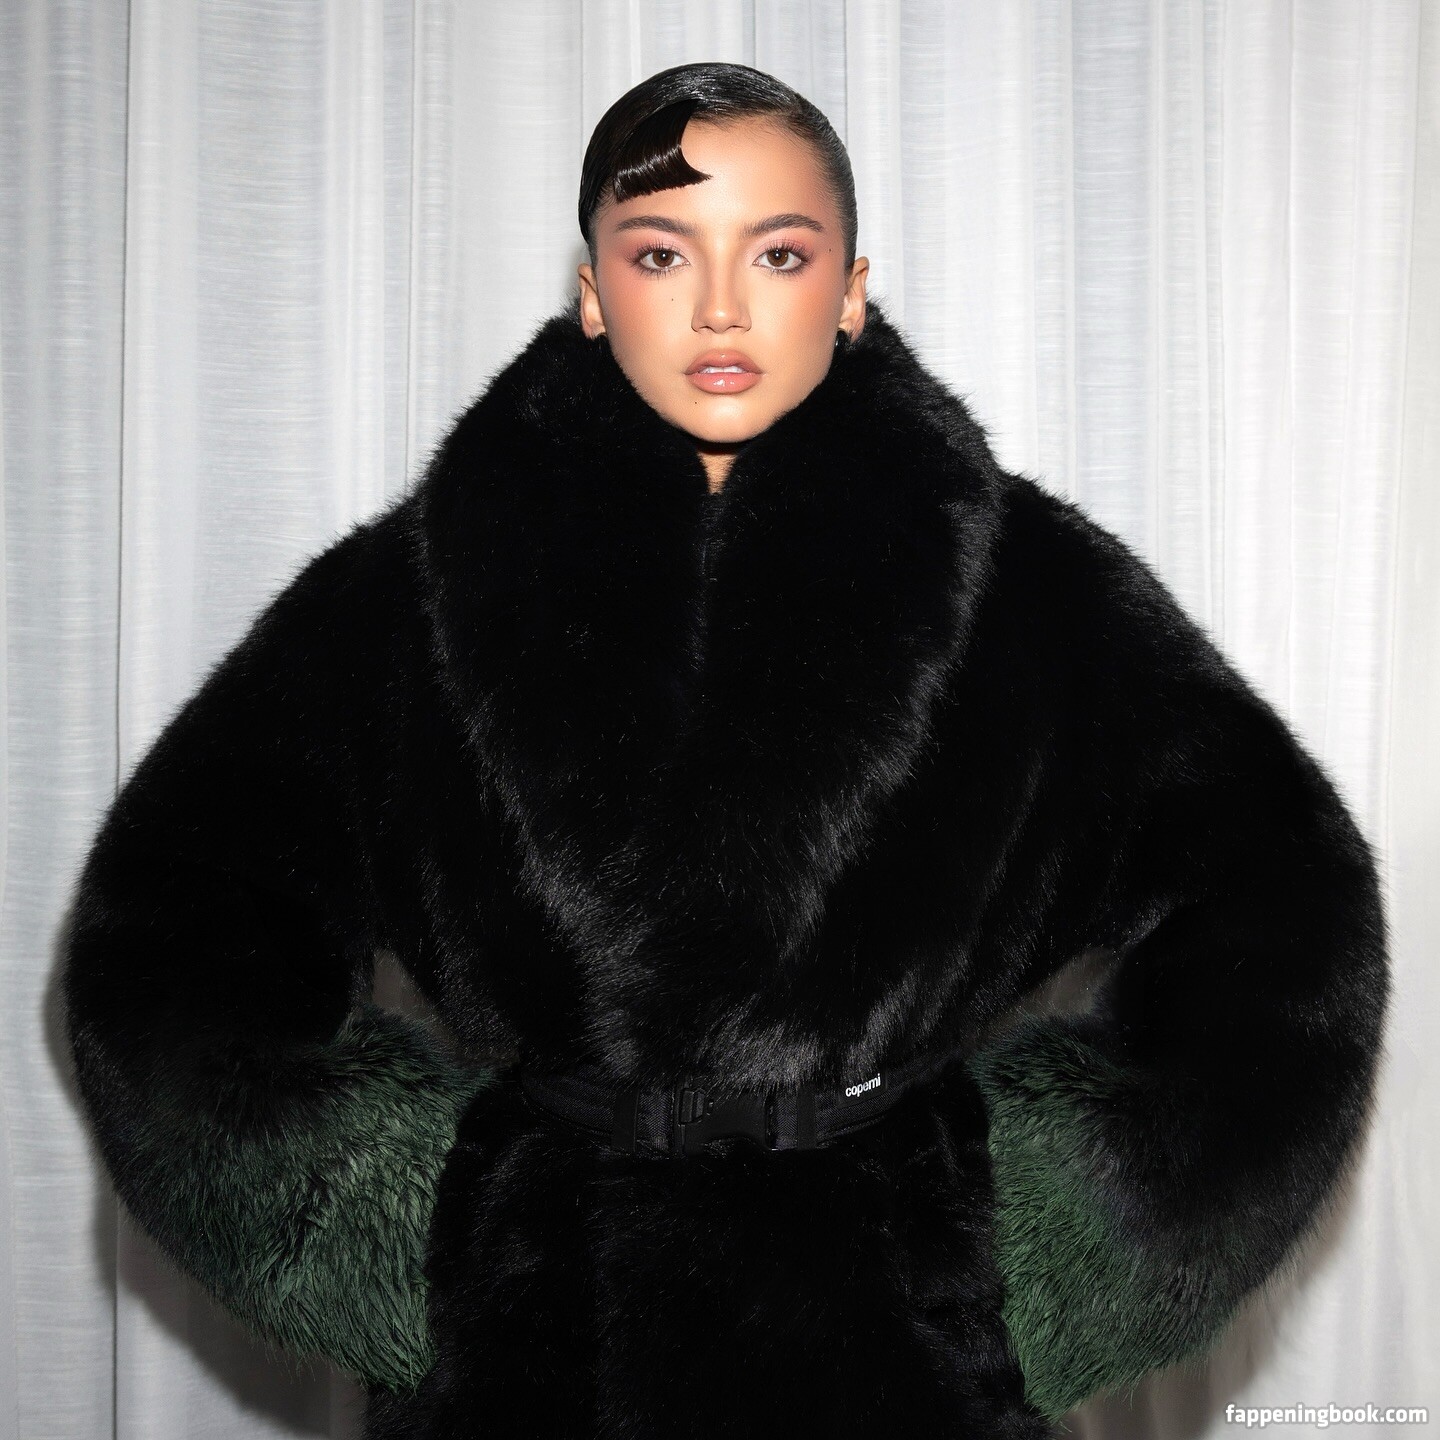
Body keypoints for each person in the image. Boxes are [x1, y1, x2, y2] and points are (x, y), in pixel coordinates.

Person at [62, 61, 1389, 1440]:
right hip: (531, 1350)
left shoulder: (1033, 600)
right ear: (592, 290)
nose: (719, 307)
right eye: (659, 253)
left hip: (903, 1351)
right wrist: (388, 1223)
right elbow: (173, 925)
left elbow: (1282, 907)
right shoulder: (411, 603)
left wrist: (1065, 1240)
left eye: (778, 253)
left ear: (852, 288)